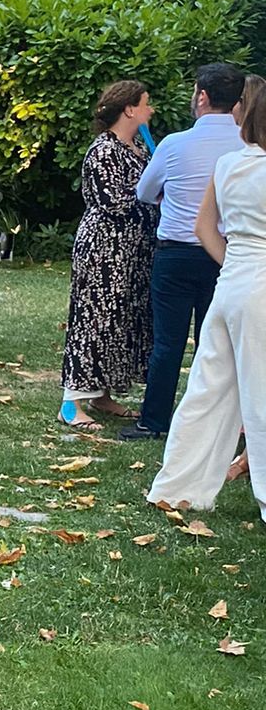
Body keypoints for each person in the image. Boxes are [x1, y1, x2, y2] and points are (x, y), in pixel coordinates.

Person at [148, 76, 266, 521]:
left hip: (231, 283)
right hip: (259, 285)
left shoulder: (229, 164)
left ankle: (178, 486)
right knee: (260, 392)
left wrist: (235, 261)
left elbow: (204, 228)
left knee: (207, 388)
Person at [122, 62, 246, 442]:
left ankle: (154, 420)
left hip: (175, 254)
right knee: (218, 345)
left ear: (202, 97)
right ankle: (215, 424)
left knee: (167, 343)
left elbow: (145, 192)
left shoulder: (175, 144)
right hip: (226, 254)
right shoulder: (247, 146)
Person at [58, 81, 158, 428]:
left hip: (134, 251)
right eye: (145, 104)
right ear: (129, 109)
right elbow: (114, 202)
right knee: (95, 319)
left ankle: (101, 394)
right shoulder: (103, 150)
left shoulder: (140, 148)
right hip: (104, 249)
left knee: (122, 320)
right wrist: (157, 198)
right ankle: (71, 401)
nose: (150, 110)